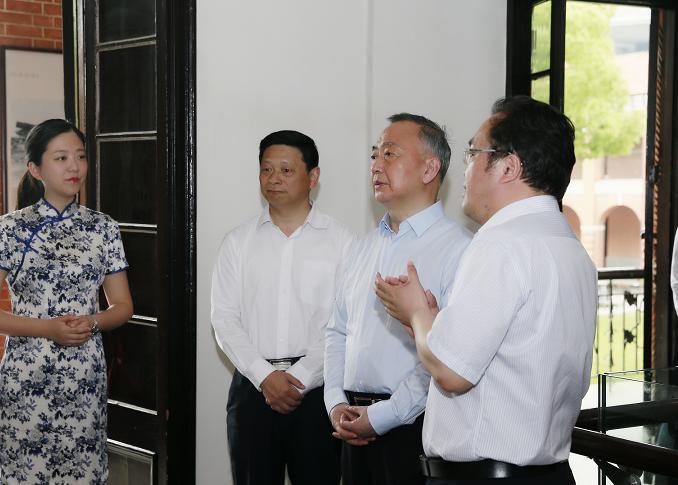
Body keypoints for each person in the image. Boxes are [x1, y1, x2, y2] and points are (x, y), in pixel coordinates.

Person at [375, 96, 598, 484]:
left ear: (508, 167)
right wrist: (431, 323)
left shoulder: (500, 243)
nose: (465, 169)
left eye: (472, 153)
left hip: (485, 475)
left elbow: (452, 372)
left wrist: (417, 312)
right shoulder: (571, 249)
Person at [0, 119, 134, 484]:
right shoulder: (9, 229)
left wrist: (92, 321)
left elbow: (122, 306)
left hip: (83, 381)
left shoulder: (103, 228)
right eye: (61, 158)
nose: (75, 166)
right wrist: (47, 328)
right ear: (35, 169)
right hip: (26, 381)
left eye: (80, 156)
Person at [324, 114, 471, 485]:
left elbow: (447, 353)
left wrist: (384, 416)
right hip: (350, 424)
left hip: (414, 429)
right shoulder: (362, 247)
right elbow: (337, 331)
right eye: (374, 155)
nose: (376, 165)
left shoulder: (460, 250)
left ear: (429, 169)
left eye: (389, 153)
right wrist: (335, 403)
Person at [211, 130, 353, 485]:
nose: (274, 178)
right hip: (253, 390)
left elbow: (347, 323)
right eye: (267, 169)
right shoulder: (237, 242)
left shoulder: (343, 242)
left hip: (318, 394)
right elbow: (224, 320)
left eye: (286, 170)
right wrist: (265, 377)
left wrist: (300, 379)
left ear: (313, 177)